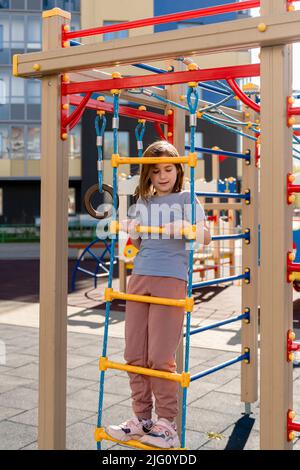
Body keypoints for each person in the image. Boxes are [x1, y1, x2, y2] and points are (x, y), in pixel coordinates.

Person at [106, 140, 211, 448]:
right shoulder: (142, 201)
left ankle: (167, 424)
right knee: (134, 354)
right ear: (148, 175)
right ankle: (142, 419)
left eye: (168, 168)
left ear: (178, 169)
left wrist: (186, 228)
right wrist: (132, 231)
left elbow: (206, 236)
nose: (163, 176)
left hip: (171, 279)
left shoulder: (187, 199)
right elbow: (139, 245)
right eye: (156, 171)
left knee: (160, 357)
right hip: (139, 278)